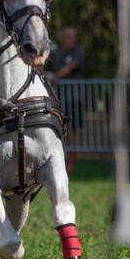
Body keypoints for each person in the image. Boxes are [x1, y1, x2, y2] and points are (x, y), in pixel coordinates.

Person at [45, 27, 87, 172]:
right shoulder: (56, 53)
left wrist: (54, 78)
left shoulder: (78, 51)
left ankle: (70, 165)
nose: (72, 39)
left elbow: (70, 68)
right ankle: (61, 162)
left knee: (73, 132)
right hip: (60, 100)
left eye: (74, 36)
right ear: (62, 38)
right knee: (61, 131)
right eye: (69, 36)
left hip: (75, 99)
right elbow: (44, 66)